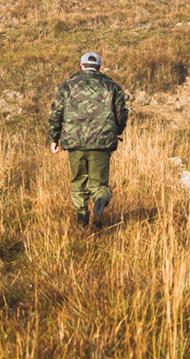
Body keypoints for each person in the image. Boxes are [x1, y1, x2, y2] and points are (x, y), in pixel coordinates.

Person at [47, 51, 129, 228]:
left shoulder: (67, 86)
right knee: (99, 185)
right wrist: (116, 131)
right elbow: (121, 114)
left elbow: (56, 114)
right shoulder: (112, 87)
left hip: (74, 142)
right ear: (100, 67)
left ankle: (82, 223)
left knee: (79, 182)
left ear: (81, 66)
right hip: (102, 143)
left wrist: (55, 137)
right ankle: (98, 209)